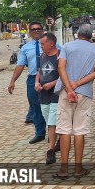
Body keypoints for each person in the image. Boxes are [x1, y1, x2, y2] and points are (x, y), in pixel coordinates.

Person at [53, 24, 95, 180]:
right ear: (91, 36)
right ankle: (78, 168)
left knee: (64, 130)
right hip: (84, 94)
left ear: (77, 34)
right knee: (80, 131)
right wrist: (78, 84)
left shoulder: (67, 47)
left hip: (65, 93)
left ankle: (63, 169)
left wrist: (69, 89)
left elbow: (61, 68)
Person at [8, 21, 47, 144]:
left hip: (49, 79)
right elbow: (20, 66)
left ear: (42, 30)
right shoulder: (25, 48)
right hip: (32, 79)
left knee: (51, 107)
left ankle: (53, 133)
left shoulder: (52, 44)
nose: (36, 30)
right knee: (35, 107)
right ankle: (40, 133)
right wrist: (12, 81)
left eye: (38, 28)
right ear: (29, 32)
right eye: (33, 29)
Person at [34, 32, 61, 164]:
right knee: (48, 118)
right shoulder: (43, 56)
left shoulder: (60, 56)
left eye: (43, 44)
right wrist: (36, 83)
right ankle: (60, 140)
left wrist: (53, 84)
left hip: (56, 94)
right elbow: (39, 72)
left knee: (52, 123)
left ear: (51, 43)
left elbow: (65, 76)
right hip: (43, 94)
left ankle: (50, 150)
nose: (41, 46)